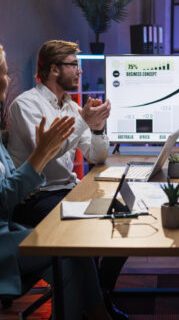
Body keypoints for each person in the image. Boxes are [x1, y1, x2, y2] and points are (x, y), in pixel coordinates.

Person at [6, 40, 127, 317]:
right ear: (53, 70)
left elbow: (96, 156)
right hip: (34, 197)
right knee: (79, 235)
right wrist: (84, 119)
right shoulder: (26, 105)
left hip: (68, 192)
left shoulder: (70, 108)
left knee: (124, 216)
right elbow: (49, 150)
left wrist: (97, 128)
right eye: (74, 65)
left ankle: (100, 294)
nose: (80, 71)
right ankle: (97, 309)